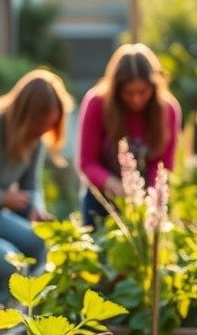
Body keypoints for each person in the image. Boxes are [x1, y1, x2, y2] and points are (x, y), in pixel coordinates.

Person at [0, 68, 75, 286]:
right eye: (41, 124)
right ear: (25, 115)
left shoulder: (35, 139)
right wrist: (0, 197)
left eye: (51, 125)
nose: (45, 131)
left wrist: (36, 208)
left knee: (40, 241)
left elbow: (31, 185)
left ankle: (27, 306)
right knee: (8, 260)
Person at [77, 42, 181, 222]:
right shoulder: (97, 103)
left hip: (146, 200)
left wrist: (147, 194)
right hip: (102, 199)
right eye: (128, 93)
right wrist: (116, 186)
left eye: (143, 92)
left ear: (155, 87)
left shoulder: (168, 110)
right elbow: (87, 163)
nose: (136, 100)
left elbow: (163, 163)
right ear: (116, 89)